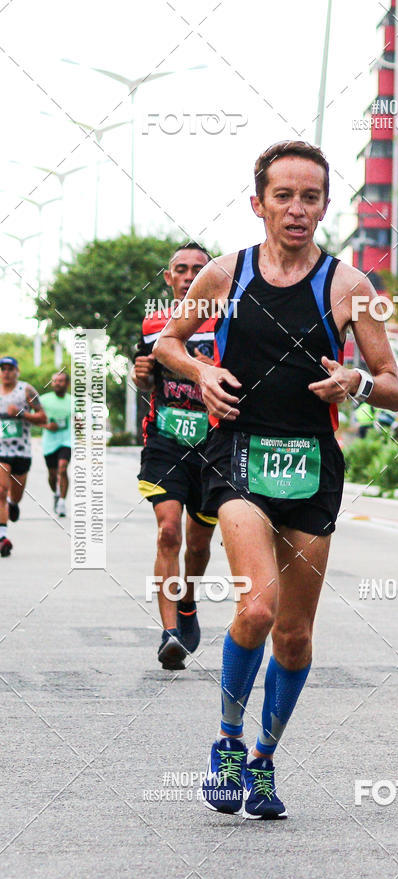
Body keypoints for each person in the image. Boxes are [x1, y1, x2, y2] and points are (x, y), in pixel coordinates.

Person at [155, 141, 398, 819]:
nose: (298, 210)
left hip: (312, 463)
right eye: (284, 196)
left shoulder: (351, 287)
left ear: (326, 205)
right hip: (236, 452)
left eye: (312, 197)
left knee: (293, 635)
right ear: (258, 203)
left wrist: (355, 380)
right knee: (257, 609)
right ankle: (228, 742)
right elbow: (167, 346)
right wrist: (201, 371)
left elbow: (394, 388)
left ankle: (265, 759)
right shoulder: (224, 275)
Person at [132, 242, 218, 670]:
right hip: (165, 439)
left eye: (197, 269)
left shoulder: (228, 323)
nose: (187, 276)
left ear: (210, 276)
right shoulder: (153, 323)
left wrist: (210, 365)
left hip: (214, 446)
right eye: (180, 270)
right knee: (169, 531)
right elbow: (149, 381)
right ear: (169, 278)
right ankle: (169, 634)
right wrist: (142, 377)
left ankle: (187, 601)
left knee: (198, 545)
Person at [0, 356, 47, 556]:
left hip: (22, 452)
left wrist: (20, 413)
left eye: (10, 368)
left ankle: (13, 504)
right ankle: (2, 537)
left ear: (17, 371)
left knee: (15, 496)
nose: (6, 372)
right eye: (2, 369)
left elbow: (43, 417)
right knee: (1, 490)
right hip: (1, 451)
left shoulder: (26, 390)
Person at [40, 371, 72, 516]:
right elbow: (35, 418)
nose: (57, 383)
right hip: (49, 443)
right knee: (52, 475)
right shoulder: (44, 400)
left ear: (67, 384)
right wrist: (47, 426)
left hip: (67, 441)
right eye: (55, 381)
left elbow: (80, 421)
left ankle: (62, 503)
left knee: (62, 468)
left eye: (60, 381)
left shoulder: (74, 401)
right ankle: (56, 493)